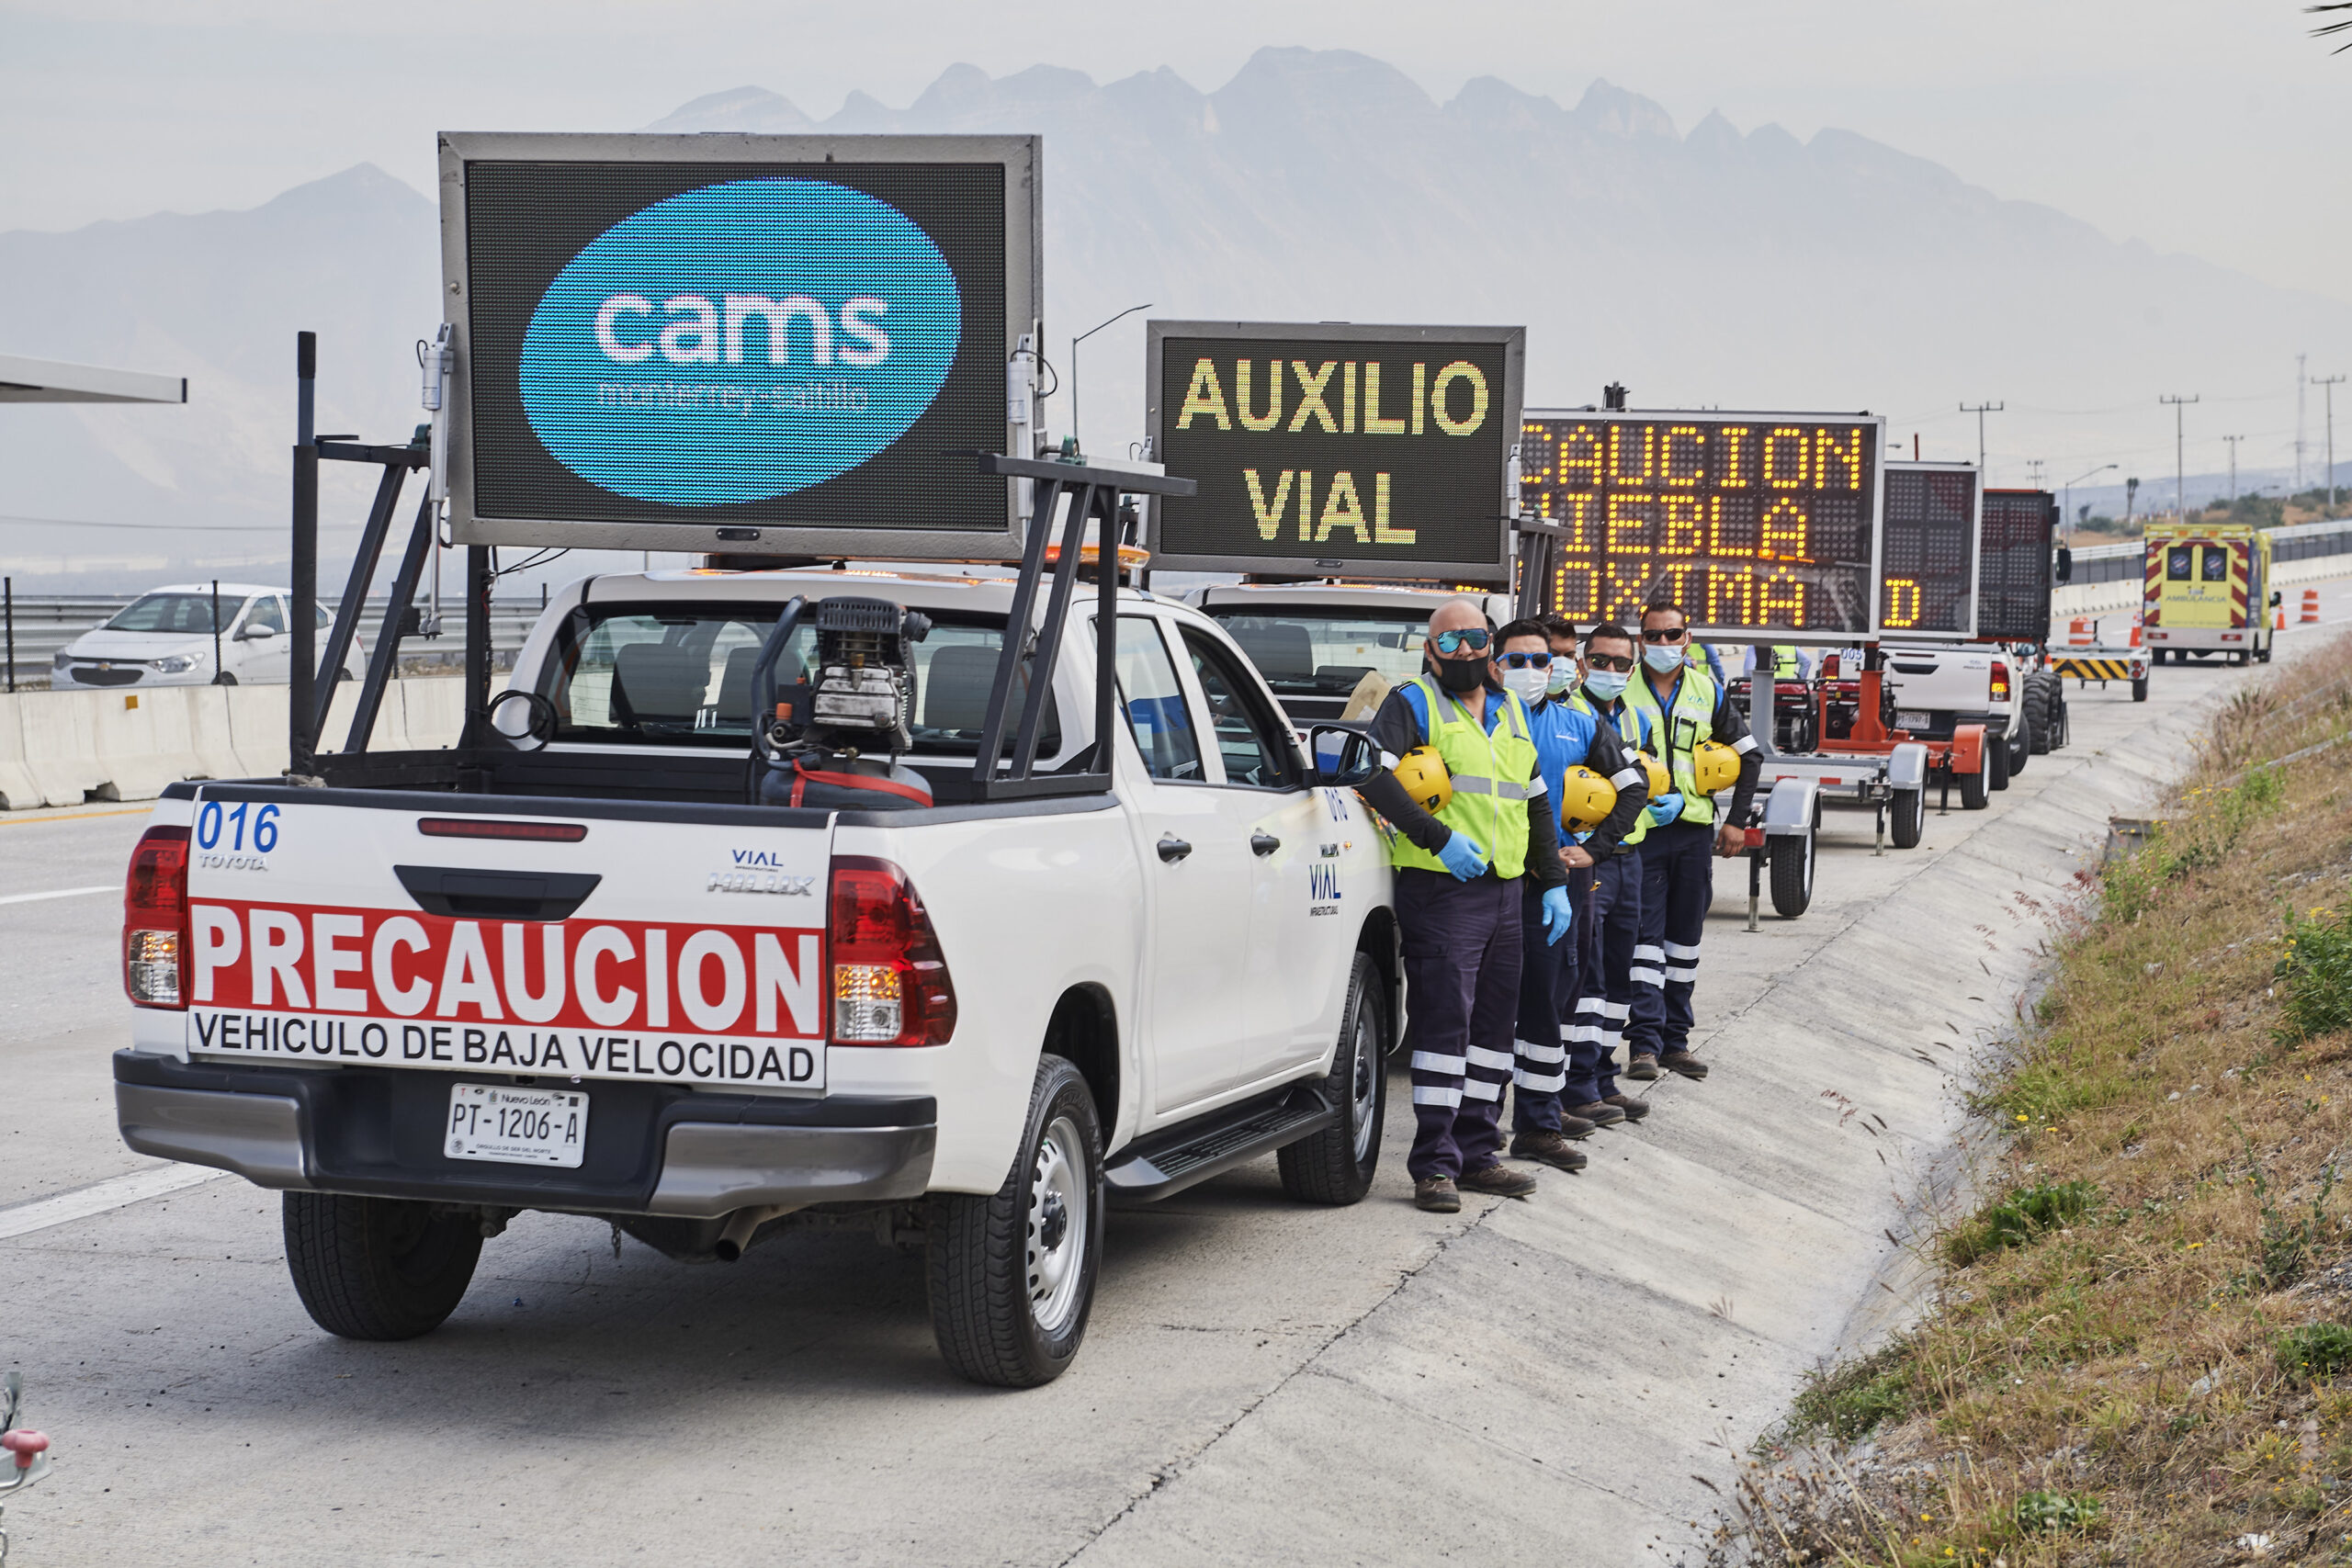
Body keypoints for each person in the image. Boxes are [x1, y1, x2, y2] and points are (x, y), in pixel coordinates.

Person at [1356, 598, 1572, 1213]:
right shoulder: (1414, 703)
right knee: (1444, 1029)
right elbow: (1371, 774)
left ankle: (1479, 1153)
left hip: (1507, 891)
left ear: (1490, 644)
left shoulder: (1511, 711)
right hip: (1442, 890)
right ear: (1430, 651)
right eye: (1449, 642)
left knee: (1493, 1033)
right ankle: (1434, 1166)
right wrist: (1439, 839)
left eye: (1476, 638)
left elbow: (1535, 800)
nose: (1465, 651)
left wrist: (1553, 880)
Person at [1493, 618, 1647, 1169]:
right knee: (1490, 1007)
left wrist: (1596, 850)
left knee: (1553, 999)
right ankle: (1479, 1130)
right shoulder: (1482, 721)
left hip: (1560, 880)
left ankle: (1539, 1122)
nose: (1535, 670)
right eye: (1520, 661)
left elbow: (1633, 787)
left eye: (1544, 660)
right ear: (1496, 665)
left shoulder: (1579, 724)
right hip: (1496, 878)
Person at [1622, 600, 1763, 1081]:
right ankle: (1644, 1045)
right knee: (1644, 942)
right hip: (1640, 833)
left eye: (1672, 634)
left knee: (1684, 943)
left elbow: (1750, 755)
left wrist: (1736, 822)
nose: (1663, 643)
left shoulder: (1708, 690)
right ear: (1641, 640)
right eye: (1653, 636)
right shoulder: (1621, 687)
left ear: (1688, 638)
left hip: (1693, 834)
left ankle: (1675, 1043)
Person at [1549, 617, 1660, 1125]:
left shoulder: (1636, 718)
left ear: (1631, 669)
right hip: (1586, 859)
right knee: (1586, 979)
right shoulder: (1566, 714)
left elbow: (1644, 779)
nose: (1610, 670)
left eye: (1620, 663)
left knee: (1618, 974)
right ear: (1582, 663)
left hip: (1628, 856)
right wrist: (1593, 848)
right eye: (1599, 660)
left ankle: (1602, 1077)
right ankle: (1576, 1087)